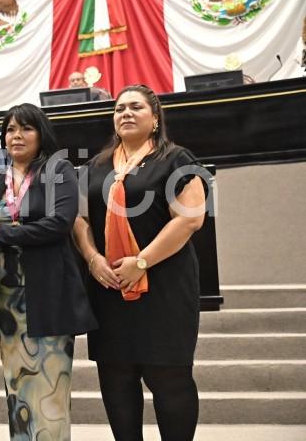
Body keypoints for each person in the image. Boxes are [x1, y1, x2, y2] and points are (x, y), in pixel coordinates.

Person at [72, 84, 207, 441]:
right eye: (119, 109)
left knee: (169, 379)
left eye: (135, 107)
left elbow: (190, 218)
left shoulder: (176, 159)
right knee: (116, 379)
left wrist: (142, 262)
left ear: (155, 117)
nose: (126, 114)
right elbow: (79, 220)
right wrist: (92, 257)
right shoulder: (96, 166)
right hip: (108, 288)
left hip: (164, 288)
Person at [0, 103, 97, 441]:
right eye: (10, 129)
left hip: (47, 296)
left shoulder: (59, 170)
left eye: (25, 128)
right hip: (7, 304)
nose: (17, 135)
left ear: (40, 133)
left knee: (48, 393)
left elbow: (59, 224)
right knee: (18, 393)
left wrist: (6, 233)